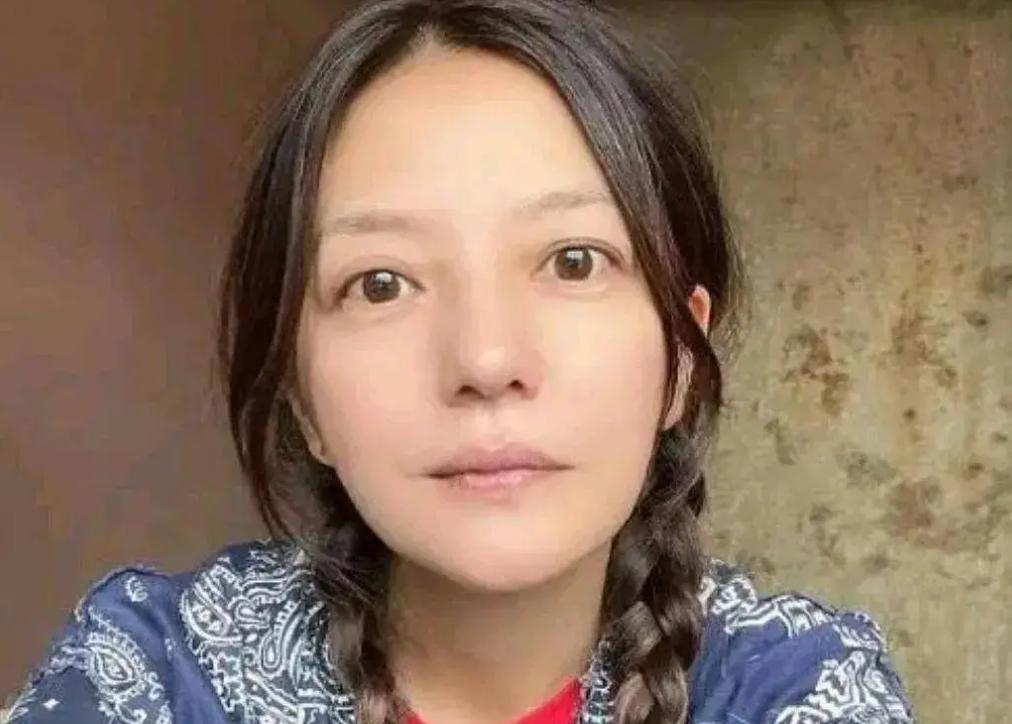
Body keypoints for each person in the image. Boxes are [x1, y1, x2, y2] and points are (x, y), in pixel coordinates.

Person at [3, 1, 918, 723]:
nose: (485, 359)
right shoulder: (156, 674)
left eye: (573, 262)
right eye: (382, 283)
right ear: (302, 396)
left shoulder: (793, 689)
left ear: (683, 357)